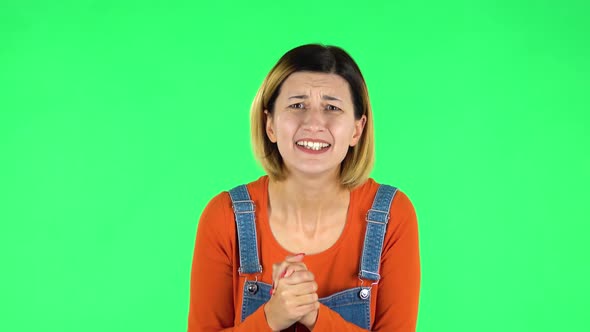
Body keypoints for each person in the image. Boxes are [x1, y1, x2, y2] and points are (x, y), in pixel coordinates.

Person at [187, 44, 420, 331]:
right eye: (297, 105)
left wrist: (314, 315)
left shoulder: (391, 215)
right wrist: (271, 317)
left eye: (332, 108)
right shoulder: (224, 218)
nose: (313, 123)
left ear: (357, 130)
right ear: (269, 123)